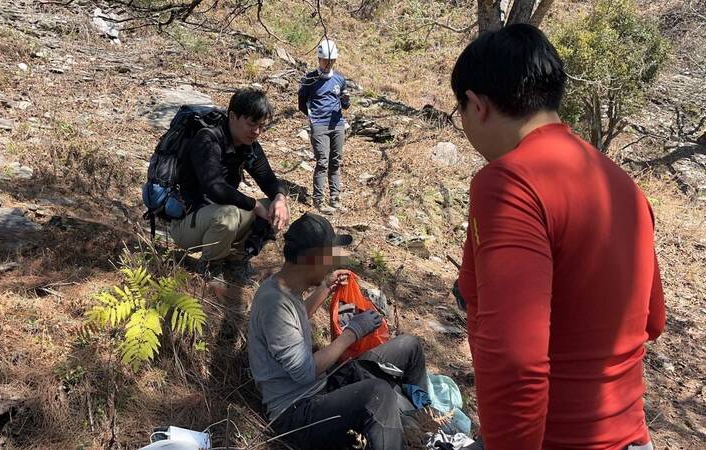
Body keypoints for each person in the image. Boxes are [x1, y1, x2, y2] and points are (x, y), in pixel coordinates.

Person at [451, 24, 665, 450]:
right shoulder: (623, 186)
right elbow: (652, 321)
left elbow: (516, 361)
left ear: (477, 105)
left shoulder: (509, 183)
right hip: (632, 438)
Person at [247, 213, 432, 450]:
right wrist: (353, 332)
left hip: (322, 388)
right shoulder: (274, 305)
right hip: (297, 413)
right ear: (312, 259)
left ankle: (427, 419)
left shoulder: (283, 289)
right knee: (378, 393)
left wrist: (325, 288)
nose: (333, 262)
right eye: (329, 256)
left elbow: (294, 321)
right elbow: (305, 372)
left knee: (408, 346)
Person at [172, 88, 290, 280]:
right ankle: (210, 267)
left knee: (275, 209)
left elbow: (269, 180)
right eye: (251, 124)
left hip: (218, 218)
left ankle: (237, 261)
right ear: (233, 116)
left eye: (261, 126)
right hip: (188, 223)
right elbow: (215, 188)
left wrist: (280, 198)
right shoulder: (207, 140)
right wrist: (254, 204)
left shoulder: (248, 146)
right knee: (229, 214)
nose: (256, 132)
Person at [298, 39, 351, 215]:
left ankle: (335, 198)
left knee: (335, 162)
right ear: (319, 59)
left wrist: (345, 101)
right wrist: (314, 118)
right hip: (319, 125)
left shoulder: (340, 79)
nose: (328, 64)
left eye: (331, 61)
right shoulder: (310, 79)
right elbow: (301, 104)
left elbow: (345, 105)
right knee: (322, 162)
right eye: (325, 61)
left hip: (337, 124)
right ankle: (319, 200)